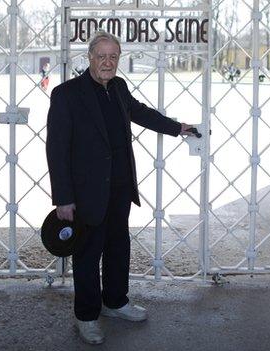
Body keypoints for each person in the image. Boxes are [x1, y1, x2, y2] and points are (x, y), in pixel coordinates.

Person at [45, 29, 195, 345]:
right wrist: (63, 198)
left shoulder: (119, 87)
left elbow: (138, 112)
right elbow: (56, 149)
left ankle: (115, 302)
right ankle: (86, 316)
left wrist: (175, 127)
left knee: (118, 247)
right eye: (102, 56)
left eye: (113, 56)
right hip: (86, 193)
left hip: (120, 187)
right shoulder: (67, 94)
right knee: (87, 254)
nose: (108, 62)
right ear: (90, 58)